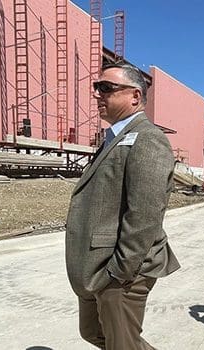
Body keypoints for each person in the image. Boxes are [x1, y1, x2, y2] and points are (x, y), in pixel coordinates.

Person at [65, 63, 180, 350]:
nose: (97, 95)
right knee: (94, 333)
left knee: (122, 345)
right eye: (96, 87)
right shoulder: (113, 139)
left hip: (122, 270)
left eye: (106, 88)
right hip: (97, 267)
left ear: (135, 96)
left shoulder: (148, 139)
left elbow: (145, 213)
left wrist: (120, 272)